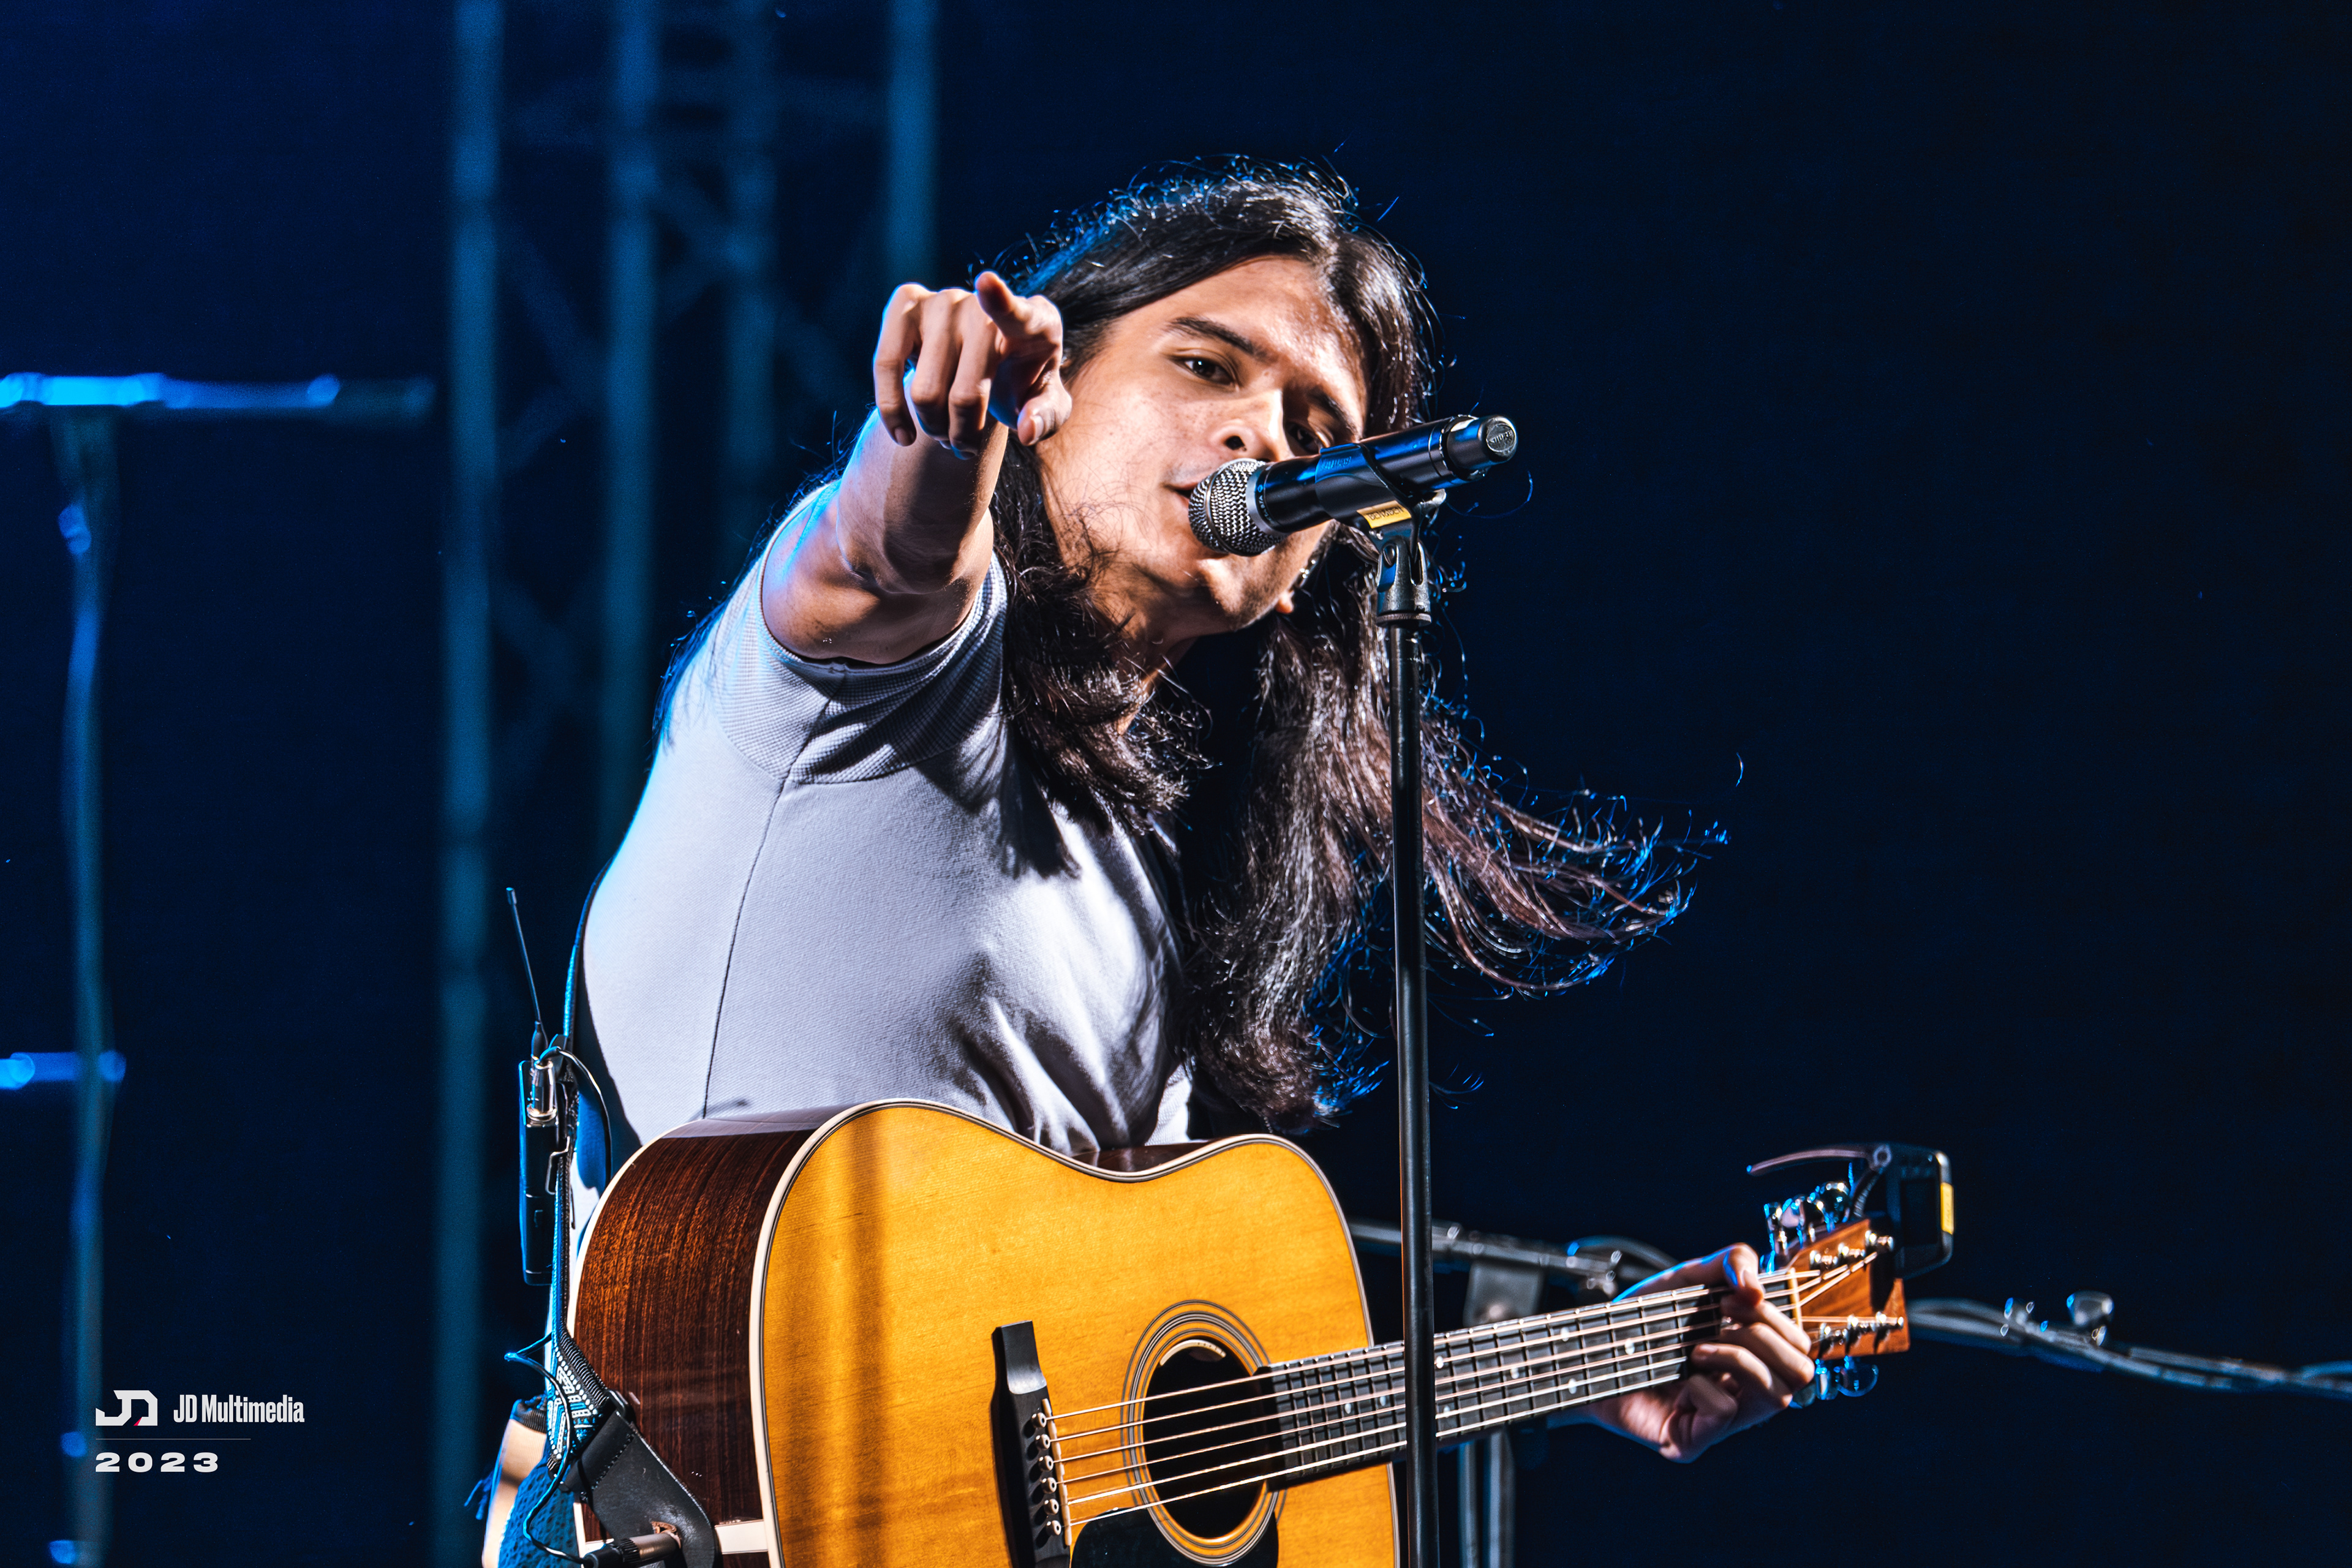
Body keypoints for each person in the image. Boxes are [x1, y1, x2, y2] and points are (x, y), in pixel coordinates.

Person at [489, 164, 1812, 1560]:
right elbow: (885, 556)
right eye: (1206, 364)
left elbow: (1115, 1380)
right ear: (1055, 390)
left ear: (1302, 572)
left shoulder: (1153, 886)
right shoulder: (895, 673)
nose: (1261, 431)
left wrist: (1589, 1363)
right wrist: (943, 427)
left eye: (1317, 429)